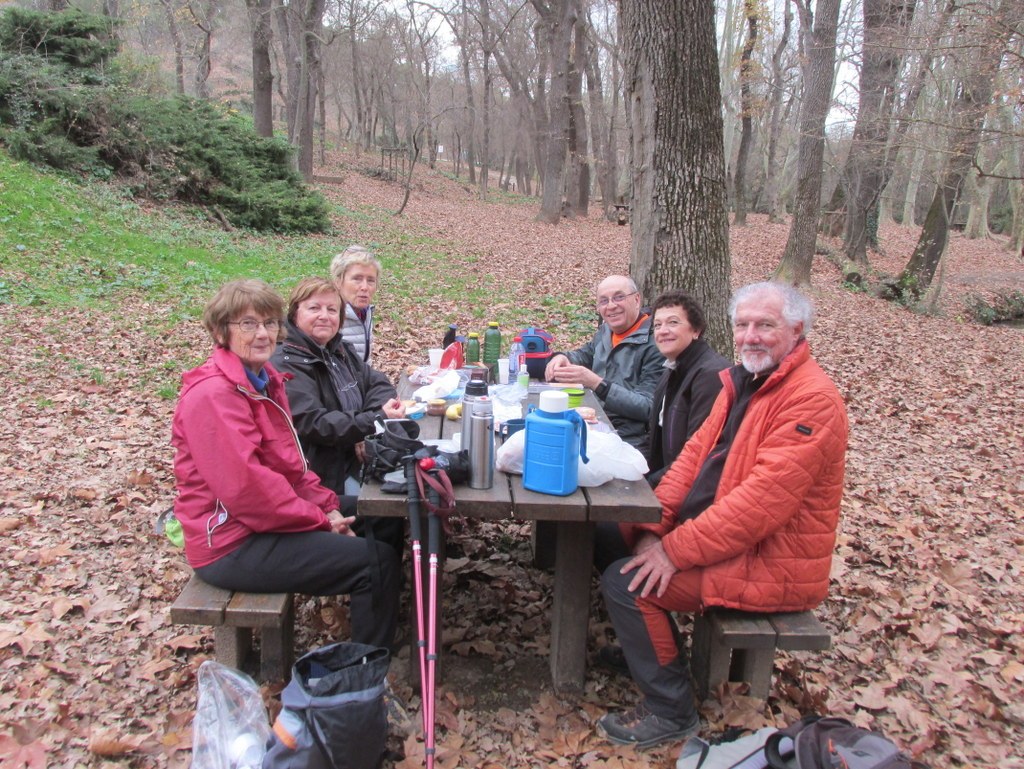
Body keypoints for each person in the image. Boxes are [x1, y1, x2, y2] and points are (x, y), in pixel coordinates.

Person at [595, 282, 848, 749]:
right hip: (723, 537)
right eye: (743, 325)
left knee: (624, 582)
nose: (751, 335)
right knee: (612, 533)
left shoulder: (811, 398)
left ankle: (670, 710)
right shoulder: (743, 381)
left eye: (765, 325)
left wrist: (672, 551)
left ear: (796, 330)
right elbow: (691, 460)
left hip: (768, 560)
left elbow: (759, 506)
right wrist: (653, 528)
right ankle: (649, 647)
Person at [171, 279, 399, 651]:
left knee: (384, 510)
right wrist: (320, 519)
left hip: (259, 520)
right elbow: (249, 492)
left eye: (269, 323)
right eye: (247, 324)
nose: (262, 334)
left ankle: (380, 613)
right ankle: (368, 663)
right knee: (376, 562)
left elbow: (289, 466)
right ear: (220, 331)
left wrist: (325, 503)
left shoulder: (263, 381)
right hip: (231, 542)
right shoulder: (214, 395)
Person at [271, 277, 406, 554]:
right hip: (323, 472)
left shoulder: (338, 350)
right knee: (391, 508)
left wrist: (366, 424)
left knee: (411, 482)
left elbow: (377, 382)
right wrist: (371, 421)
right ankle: (370, 570)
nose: (324, 316)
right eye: (314, 308)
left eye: (332, 310)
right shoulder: (288, 361)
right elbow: (312, 423)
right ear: (295, 314)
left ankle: (382, 570)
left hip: (354, 458)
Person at [545, 275, 664, 447]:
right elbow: (585, 354)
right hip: (594, 425)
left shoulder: (655, 342)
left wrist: (597, 383)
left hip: (630, 441)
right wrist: (562, 357)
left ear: (637, 299)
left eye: (619, 297)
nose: (611, 306)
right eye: (604, 301)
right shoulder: (606, 330)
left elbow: (648, 407)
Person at [642, 290, 730, 487]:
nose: (663, 330)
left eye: (673, 322)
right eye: (657, 325)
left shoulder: (711, 376)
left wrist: (647, 484)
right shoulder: (671, 370)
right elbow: (653, 439)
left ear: (696, 330)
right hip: (664, 479)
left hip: (691, 490)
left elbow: (697, 455)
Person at [330, 245, 381, 363]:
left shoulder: (365, 312)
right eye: (357, 279)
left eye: (370, 280)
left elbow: (364, 365)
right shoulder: (330, 317)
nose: (365, 287)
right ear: (338, 282)